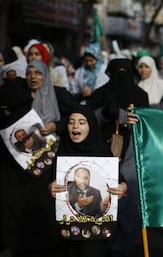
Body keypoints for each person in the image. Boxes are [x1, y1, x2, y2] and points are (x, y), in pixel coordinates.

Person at [0, 59, 80, 256]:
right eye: (29, 73)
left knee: (44, 207)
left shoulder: (58, 95)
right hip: (21, 165)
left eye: (38, 73)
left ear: (46, 74)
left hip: (48, 165)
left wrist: (56, 126)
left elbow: (75, 117)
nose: (33, 77)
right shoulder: (20, 96)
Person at [90, 58, 150, 257]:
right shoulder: (99, 94)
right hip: (101, 153)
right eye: (118, 71)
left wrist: (125, 117)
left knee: (127, 200)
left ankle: (124, 246)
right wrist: (106, 114)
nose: (122, 75)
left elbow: (146, 123)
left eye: (126, 71)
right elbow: (88, 118)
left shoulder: (141, 96)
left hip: (131, 153)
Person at [49, 106, 127, 257]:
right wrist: (50, 188)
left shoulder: (102, 152)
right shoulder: (63, 151)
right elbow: (51, 183)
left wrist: (122, 188)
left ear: (91, 125)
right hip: (66, 232)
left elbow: (120, 181)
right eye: (71, 122)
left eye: (81, 122)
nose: (75, 126)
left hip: (95, 234)